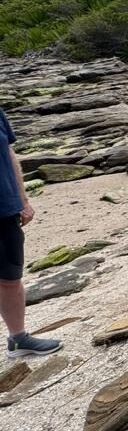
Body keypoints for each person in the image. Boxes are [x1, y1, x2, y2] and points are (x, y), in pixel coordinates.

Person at [1, 109, 63, 358]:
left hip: (5, 208)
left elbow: (9, 152)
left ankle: (18, 338)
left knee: (10, 277)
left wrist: (23, 199)